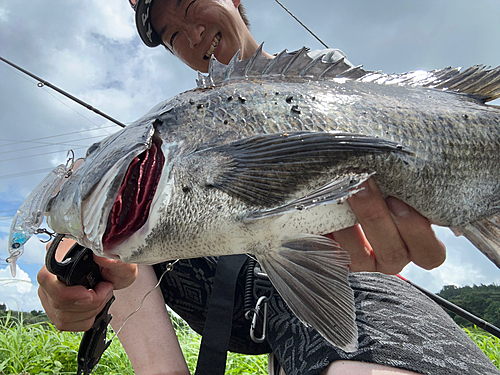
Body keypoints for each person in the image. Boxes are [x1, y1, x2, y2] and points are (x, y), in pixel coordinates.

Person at [37, 1, 500, 374]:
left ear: (236, 1)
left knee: (371, 348)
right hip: (230, 295)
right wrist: (70, 277)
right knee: (117, 248)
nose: (192, 34)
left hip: (362, 281)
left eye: (190, 2)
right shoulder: (174, 127)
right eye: (174, 36)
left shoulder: (339, 87)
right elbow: (103, 213)